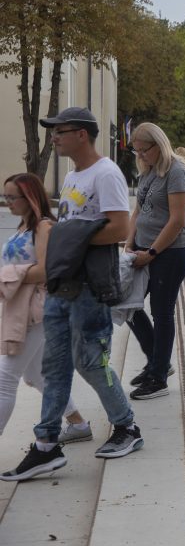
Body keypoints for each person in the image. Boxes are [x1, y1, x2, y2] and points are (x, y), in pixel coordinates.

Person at [3, 108, 142, 482]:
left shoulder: (106, 173)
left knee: (91, 363)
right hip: (64, 285)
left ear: (81, 134)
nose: (54, 138)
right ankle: (46, 445)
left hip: (89, 288)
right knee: (55, 366)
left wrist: (69, 240)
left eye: (59, 132)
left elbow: (119, 227)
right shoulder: (74, 175)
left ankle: (127, 427)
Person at [0, 174, 90, 444]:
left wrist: (6, 276)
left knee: (5, 376)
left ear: (29, 197)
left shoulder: (43, 227)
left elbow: (46, 271)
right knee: (35, 374)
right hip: (23, 307)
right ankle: (78, 423)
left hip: (37, 310)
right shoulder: (22, 227)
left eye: (12, 197)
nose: (7, 202)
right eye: (5, 196)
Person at [124, 123, 185, 400]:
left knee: (161, 311)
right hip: (142, 248)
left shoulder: (176, 172)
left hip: (170, 252)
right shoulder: (148, 172)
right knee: (127, 304)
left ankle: (158, 377)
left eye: (144, 150)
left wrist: (151, 253)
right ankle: (159, 362)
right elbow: (138, 210)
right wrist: (130, 242)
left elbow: (178, 220)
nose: (140, 155)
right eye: (136, 150)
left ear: (158, 145)